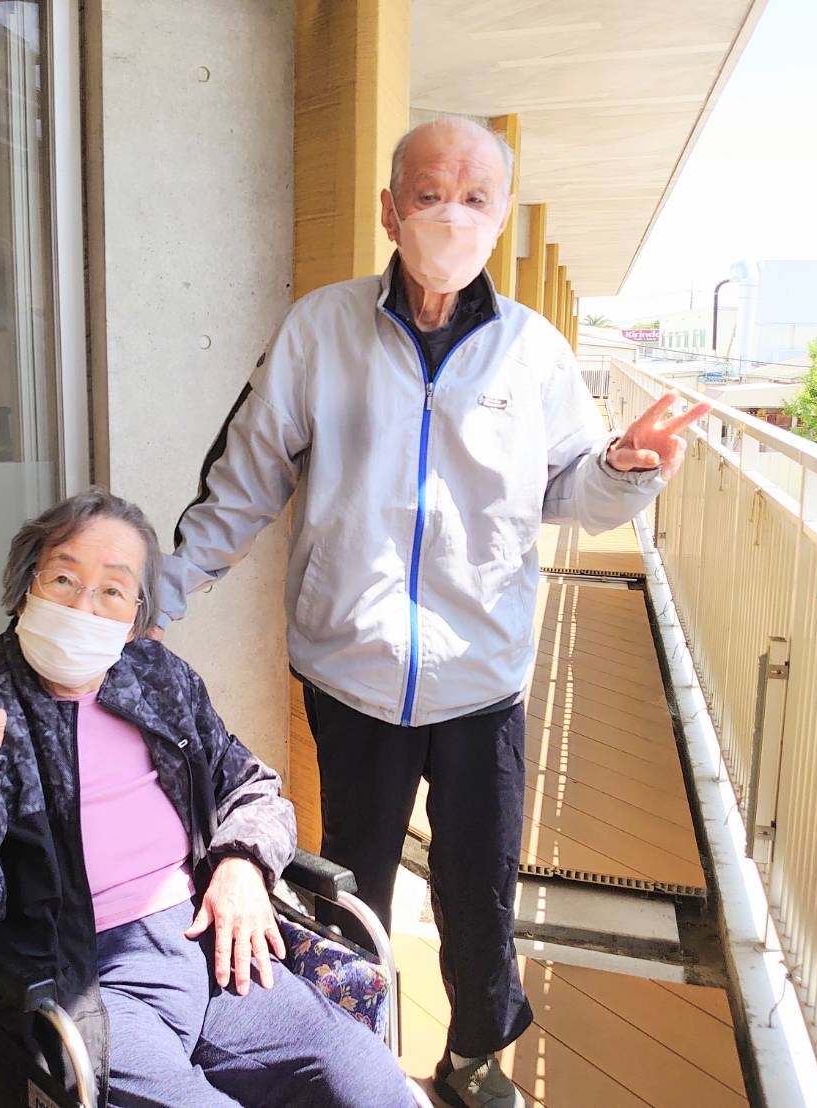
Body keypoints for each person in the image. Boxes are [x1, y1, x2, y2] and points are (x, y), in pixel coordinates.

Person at [153, 117, 711, 1108]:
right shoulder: (319, 330)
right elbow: (244, 477)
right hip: (352, 671)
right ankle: (353, 1060)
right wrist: (159, 590)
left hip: (481, 678)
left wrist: (626, 470)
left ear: (500, 217)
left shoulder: (533, 350)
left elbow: (570, 491)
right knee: (349, 887)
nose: (451, 214)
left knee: (480, 891)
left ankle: (474, 1055)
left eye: (474, 197)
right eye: (428, 194)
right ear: (389, 210)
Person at [0, 489, 419, 1107]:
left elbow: (252, 785)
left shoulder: (157, 677)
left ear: (136, 616)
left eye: (112, 589)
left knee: (366, 1077)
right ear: (27, 584)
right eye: (63, 578)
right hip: (85, 978)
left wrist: (242, 864)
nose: (84, 604)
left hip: (209, 944)